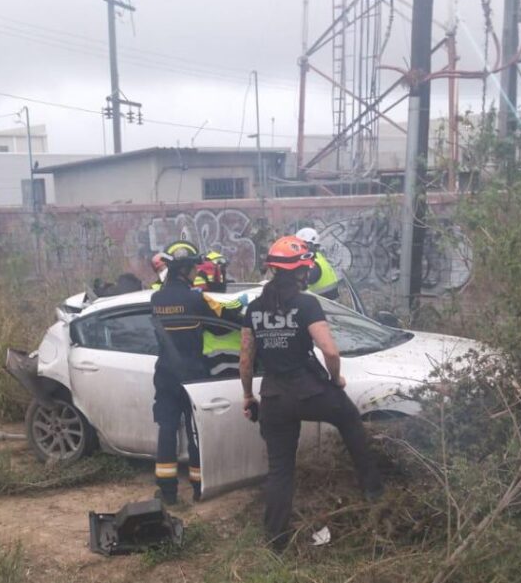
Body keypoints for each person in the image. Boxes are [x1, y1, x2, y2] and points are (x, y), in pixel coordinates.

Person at [239, 236, 384, 552]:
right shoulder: (306, 304)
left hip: (274, 399)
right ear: (302, 271)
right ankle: (375, 493)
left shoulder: (254, 308)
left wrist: (248, 396)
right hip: (310, 392)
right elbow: (330, 350)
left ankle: (276, 541)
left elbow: (246, 361)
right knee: (348, 419)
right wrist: (336, 379)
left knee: (280, 470)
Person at [150, 241, 242, 504]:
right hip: (193, 375)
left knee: (167, 428)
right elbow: (225, 321)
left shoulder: (156, 299)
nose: (195, 272)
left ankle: (167, 492)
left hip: (166, 373)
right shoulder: (196, 298)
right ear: (184, 269)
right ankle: (199, 486)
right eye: (193, 268)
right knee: (194, 430)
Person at [295, 227, 341, 300]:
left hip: (324, 307)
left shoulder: (312, 265)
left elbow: (297, 286)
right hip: (329, 305)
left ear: (308, 245)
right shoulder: (318, 258)